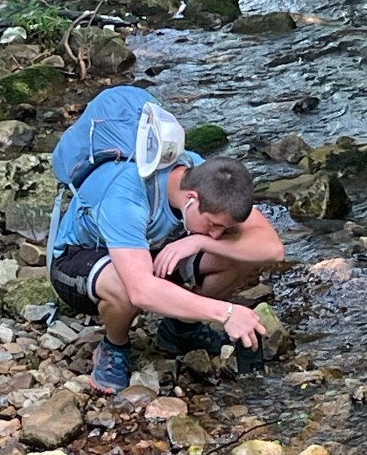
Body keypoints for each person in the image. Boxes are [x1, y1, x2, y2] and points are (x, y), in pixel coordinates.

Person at [49, 149, 285, 393]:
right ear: (192, 199)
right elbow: (140, 291)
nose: (216, 233)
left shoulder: (206, 176)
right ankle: (114, 346)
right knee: (124, 287)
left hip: (147, 249)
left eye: (222, 228)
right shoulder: (126, 199)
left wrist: (201, 241)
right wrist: (226, 313)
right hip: (78, 259)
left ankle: (181, 329)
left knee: (237, 255)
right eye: (212, 225)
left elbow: (273, 249)